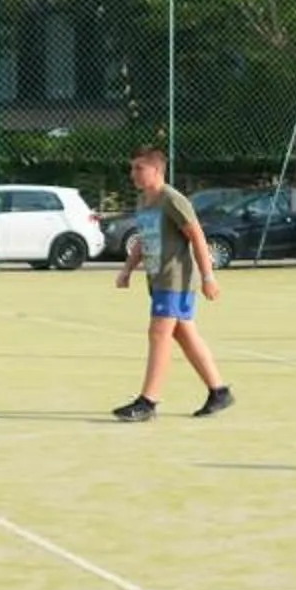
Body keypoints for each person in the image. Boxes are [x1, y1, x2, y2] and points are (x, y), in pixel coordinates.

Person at [111, 146, 232, 420]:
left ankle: (147, 402)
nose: (133, 174)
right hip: (157, 279)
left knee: (159, 333)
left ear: (156, 170)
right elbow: (144, 239)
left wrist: (208, 278)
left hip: (176, 281)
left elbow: (198, 237)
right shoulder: (144, 201)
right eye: (133, 168)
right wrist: (127, 270)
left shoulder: (173, 200)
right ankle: (219, 391)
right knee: (184, 335)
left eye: (139, 168)